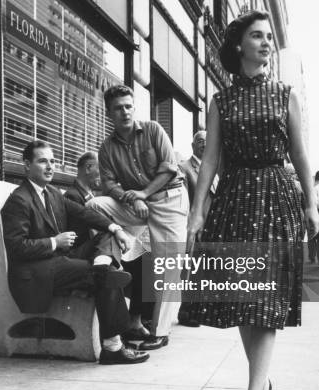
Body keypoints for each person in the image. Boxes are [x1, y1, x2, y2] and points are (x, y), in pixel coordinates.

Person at [185, 10, 319, 390]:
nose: (265, 43)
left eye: (267, 38)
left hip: (278, 198)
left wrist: (311, 205)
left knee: (267, 302)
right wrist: (198, 210)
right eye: (256, 36)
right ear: (239, 45)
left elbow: (300, 157)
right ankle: (261, 384)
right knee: (245, 298)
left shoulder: (285, 95)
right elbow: (209, 161)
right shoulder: (221, 100)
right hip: (236, 200)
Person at [1, 140, 149, 365]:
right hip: (36, 274)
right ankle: (113, 346)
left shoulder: (52, 193)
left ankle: (102, 265)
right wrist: (54, 241)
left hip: (58, 263)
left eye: (52, 161)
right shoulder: (18, 200)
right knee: (106, 277)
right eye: (42, 161)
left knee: (106, 237)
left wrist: (116, 228)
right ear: (26, 165)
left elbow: (84, 213)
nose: (50, 167)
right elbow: (16, 247)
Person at [87, 85, 189, 351]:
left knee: (169, 266)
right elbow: (108, 185)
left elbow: (169, 168)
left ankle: (161, 331)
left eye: (128, 106)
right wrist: (134, 199)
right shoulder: (107, 147)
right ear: (109, 112)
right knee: (96, 205)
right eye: (118, 108)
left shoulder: (153, 129)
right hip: (136, 205)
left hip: (169, 202)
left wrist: (142, 193)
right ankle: (113, 256)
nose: (125, 112)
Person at [64, 151, 153, 342]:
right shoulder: (72, 196)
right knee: (138, 265)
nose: (105, 176)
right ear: (88, 168)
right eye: (102, 170)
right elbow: (81, 234)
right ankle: (130, 325)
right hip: (87, 254)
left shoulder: (95, 197)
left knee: (146, 259)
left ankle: (136, 321)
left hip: (104, 249)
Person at [177, 130, 218, 327]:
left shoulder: (213, 170)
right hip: (192, 228)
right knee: (190, 271)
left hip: (210, 229)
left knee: (203, 271)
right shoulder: (184, 168)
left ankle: (198, 310)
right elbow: (183, 201)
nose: (204, 144)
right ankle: (186, 312)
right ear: (192, 145)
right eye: (200, 141)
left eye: (207, 141)